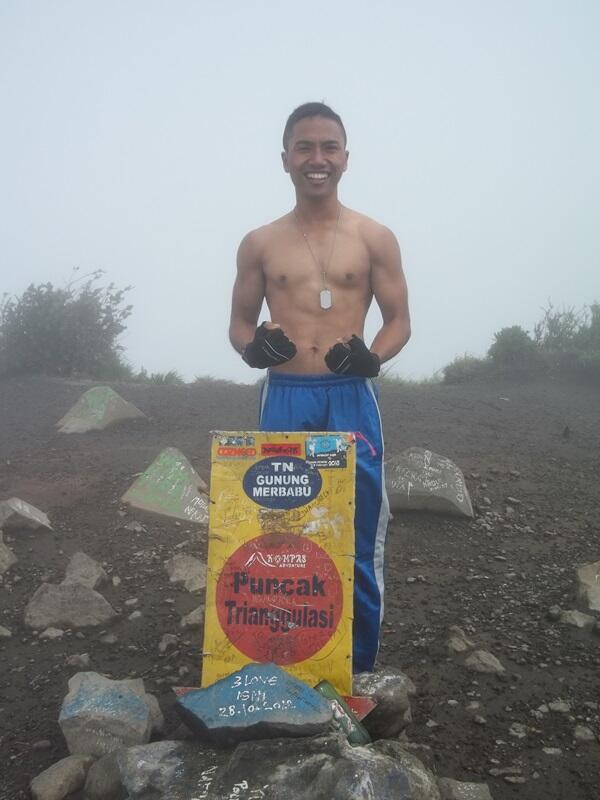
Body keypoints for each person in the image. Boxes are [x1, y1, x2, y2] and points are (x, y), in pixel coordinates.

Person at [229, 102, 410, 672]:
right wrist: (254, 349)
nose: (317, 159)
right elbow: (238, 323)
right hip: (283, 395)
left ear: (346, 158)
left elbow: (400, 320)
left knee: (357, 534)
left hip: (350, 397)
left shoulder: (374, 236)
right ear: (285, 159)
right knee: (280, 534)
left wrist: (371, 358)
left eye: (329, 148)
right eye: (305, 147)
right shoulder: (260, 242)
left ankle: (357, 670)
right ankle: (287, 662)